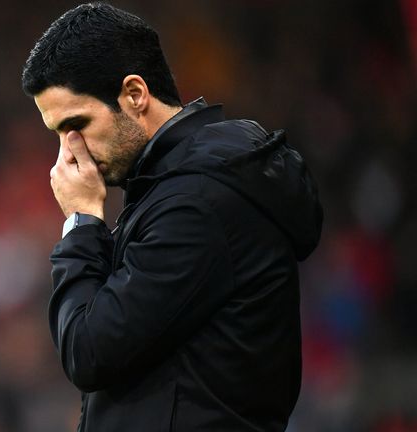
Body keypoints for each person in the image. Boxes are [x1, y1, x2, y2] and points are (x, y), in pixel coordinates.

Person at [21, 3, 323, 431]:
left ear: (135, 94)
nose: (70, 153)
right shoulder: (179, 184)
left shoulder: (197, 200)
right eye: (58, 133)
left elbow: (89, 352)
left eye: (78, 124)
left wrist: (82, 221)